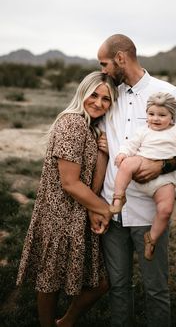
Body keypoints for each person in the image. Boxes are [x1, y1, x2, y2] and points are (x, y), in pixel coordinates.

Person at [94, 34, 176, 327]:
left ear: (120, 59)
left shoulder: (168, 94)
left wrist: (160, 166)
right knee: (118, 288)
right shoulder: (109, 96)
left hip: (149, 212)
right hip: (113, 211)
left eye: (104, 63)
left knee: (156, 290)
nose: (102, 70)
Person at [16, 71, 118, 327]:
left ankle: (66, 322)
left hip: (78, 212)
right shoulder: (72, 123)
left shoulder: (91, 128)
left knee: (99, 281)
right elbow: (70, 183)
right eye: (94, 95)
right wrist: (105, 210)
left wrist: (104, 154)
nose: (98, 103)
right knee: (50, 280)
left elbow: (90, 188)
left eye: (106, 99)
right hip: (58, 214)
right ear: (82, 92)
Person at [109, 91, 176, 261]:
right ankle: (119, 197)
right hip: (142, 163)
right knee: (126, 164)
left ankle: (152, 238)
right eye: (151, 114)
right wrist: (123, 153)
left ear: (172, 116)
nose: (155, 118)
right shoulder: (143, 131)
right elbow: (130, 144)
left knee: (166, 210)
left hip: (164, 180)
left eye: (162, 115)